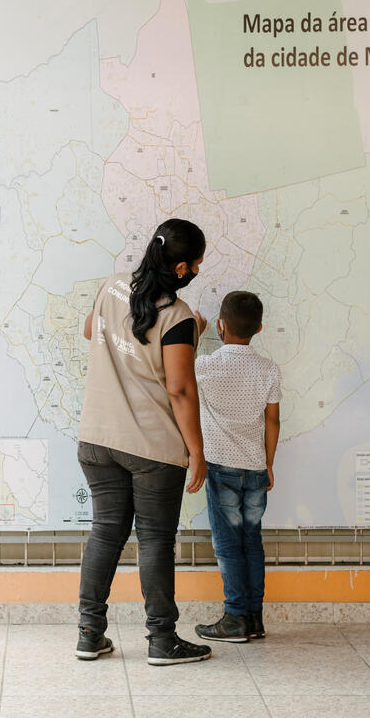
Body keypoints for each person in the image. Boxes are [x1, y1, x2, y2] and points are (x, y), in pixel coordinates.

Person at [75, 218, 213, 666]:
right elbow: (179, 388)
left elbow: (91, 332)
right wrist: (196, 450)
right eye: (195, 265)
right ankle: (162, 640)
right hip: (150, 449)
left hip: (97, 439)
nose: (195, 271)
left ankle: (89, 634)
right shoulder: (178, 317)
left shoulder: (114, 287)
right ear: (180, 268)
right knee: (154, 541)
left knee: (105, 534)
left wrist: (190, 332)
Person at [192, 291, 281, 643]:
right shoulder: (268, 369)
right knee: (252, 543)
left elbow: (181, 368)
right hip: (256, 468)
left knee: (228, 545)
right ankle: (254, 618)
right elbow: (272, 421)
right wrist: (268, 462)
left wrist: (195, 334)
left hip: (221, 469)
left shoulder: (205, 366)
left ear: (220, 326)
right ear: (259, 327)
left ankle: (234, 618)